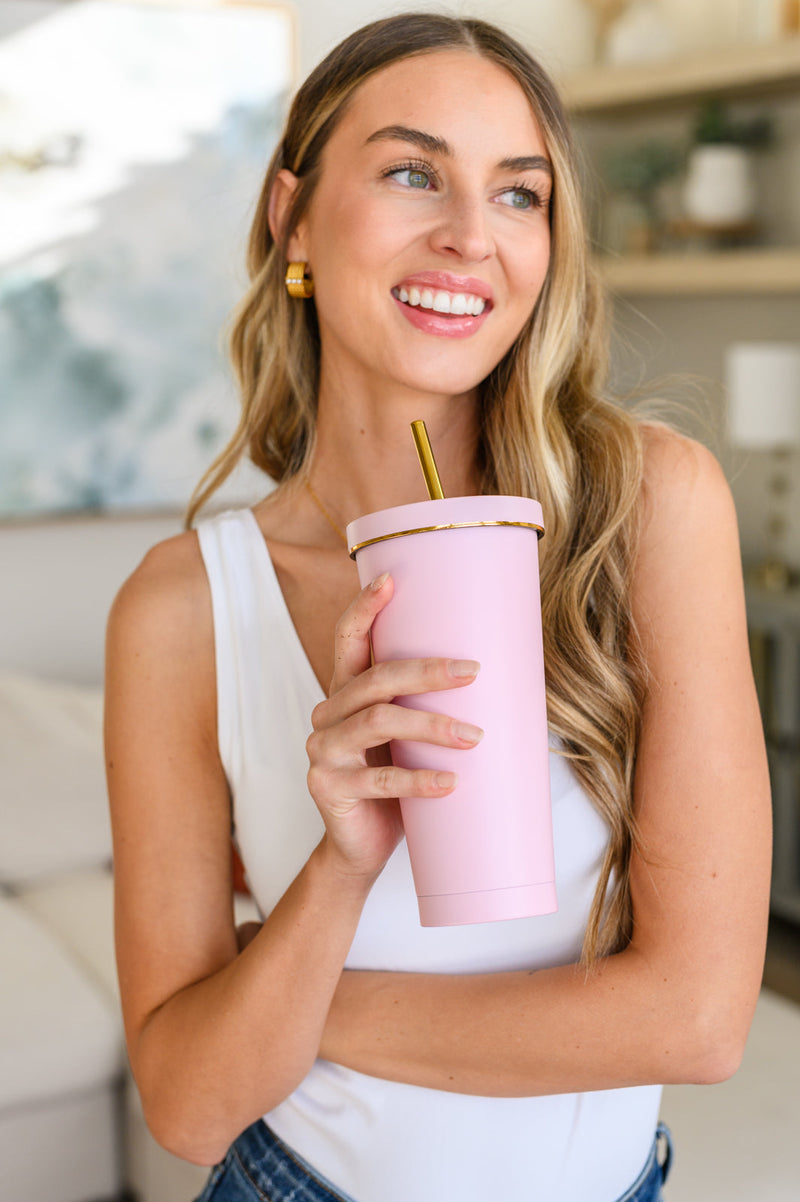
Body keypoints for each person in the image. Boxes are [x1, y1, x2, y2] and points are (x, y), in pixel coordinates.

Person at [104, 12, 772, 1202]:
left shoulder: (648, 508)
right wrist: (338, 866)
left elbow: (698, 1018)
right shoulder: (183, 607)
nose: (471, 236)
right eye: (413, 172)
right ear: (292, 214)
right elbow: (191, 1102)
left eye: (518, 195)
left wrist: (303, 1002)